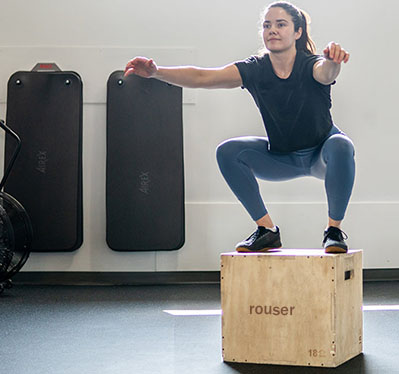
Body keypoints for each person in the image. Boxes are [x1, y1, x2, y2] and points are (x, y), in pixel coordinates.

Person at [124, 1, 354, 253]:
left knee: (341, 144)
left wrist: (334, 61)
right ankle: (267, 231)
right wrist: (156, 72)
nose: (272, 30)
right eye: (267, 25)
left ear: (297, 32)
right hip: (282, 157)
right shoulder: (255, 69)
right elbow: (203, 77)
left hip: (320, 156)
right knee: (228, 151)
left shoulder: (311, 64)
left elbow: (326, 73)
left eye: (281, 24)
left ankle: (333, 232)